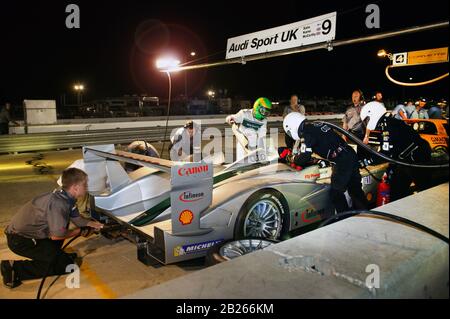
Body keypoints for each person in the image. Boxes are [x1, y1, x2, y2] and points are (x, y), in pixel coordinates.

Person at [1, 168, 103, 288]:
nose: (86, 188)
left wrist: (93, 224)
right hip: (20, 240)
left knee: (61, 234)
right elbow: (57, 236)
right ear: (75, 187)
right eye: (85, 185)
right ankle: (13, 269)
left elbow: (78, 220)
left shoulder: (67, 197)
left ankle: (55, 255)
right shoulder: (59, 204)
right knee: (67, 266)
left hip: (33, 235)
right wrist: (79, 231)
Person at [283, 112, 368, 213]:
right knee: (355, 189)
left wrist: (291, 158)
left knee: (335, 193)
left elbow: (303, 159)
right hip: (349, 153)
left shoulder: (306, 134)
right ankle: (365, 215)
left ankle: (344, 219)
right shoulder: (314, 125)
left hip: (342, 159)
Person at [360, 101, 432, 202]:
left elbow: (385, 154)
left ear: (373, 114)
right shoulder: (387, 123)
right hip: (407, 157)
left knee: (426, 190)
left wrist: (365, 162)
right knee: (396, 192)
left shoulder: (387, 126)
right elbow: (392, 151)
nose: (367, 123)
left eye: (367, 119)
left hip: (417, 155)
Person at [226, 97, 271, 162]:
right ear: (257, 107)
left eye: (266, 113)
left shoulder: (264, 121)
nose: (264, 114)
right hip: (243, 143)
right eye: (263, 111)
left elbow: (262, 136)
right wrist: (230, 119)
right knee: (242, 164)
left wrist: (261, 151)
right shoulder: (244, 114)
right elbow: (231, 117)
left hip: (254, 145)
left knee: (254, 135)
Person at [342, 89, 368, 160]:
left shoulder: (365, 108)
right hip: (350, 134)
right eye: (353, 96)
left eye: (356, 96)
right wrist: (343, 134)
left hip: (361, 134)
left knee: (361, 154)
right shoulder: (349, 108)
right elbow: (345, 122)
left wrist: (367, 136)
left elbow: (369, 123)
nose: (354, 97)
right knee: (350, 151)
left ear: (360, 97)